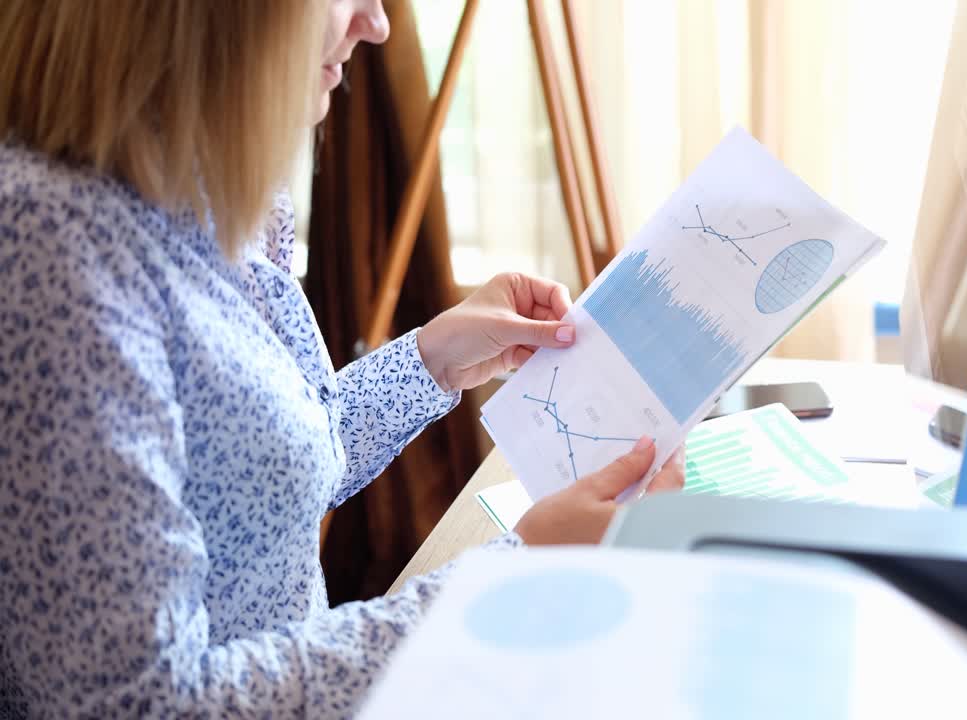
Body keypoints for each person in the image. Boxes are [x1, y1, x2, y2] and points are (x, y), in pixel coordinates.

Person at [0, 1, 684, 716]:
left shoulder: (207, 182)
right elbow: (138, 704)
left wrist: (431, 362)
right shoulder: (52, 255)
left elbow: (252, 478)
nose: (377, 23)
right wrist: (513, 577)